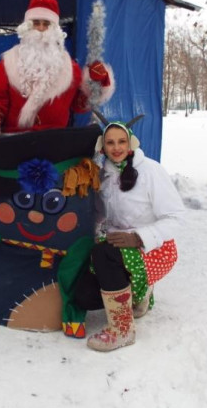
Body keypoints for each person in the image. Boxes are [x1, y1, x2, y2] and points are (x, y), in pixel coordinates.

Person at [73, 121, 185, 352]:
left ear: (131, 143)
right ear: (102, 147)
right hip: (116, 249)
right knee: (84, 296)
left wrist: (139, 238)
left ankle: (122, 329)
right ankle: (137, 296)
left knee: (102, 253)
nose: (116, 148)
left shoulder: (151, 171)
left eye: (121, 141)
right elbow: (98, 214)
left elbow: (176, 218)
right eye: (110, 142)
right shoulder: (104, 175)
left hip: (154, 250)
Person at [0, 0, 114, 136]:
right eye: (36, 23)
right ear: (27, 27)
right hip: (13, 142)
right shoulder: (8, 64)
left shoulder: (70, 68)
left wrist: (97, 83)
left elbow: (80, 105)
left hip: (54, 141)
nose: (41, 29)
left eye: (46, 24)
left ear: (55, 29)